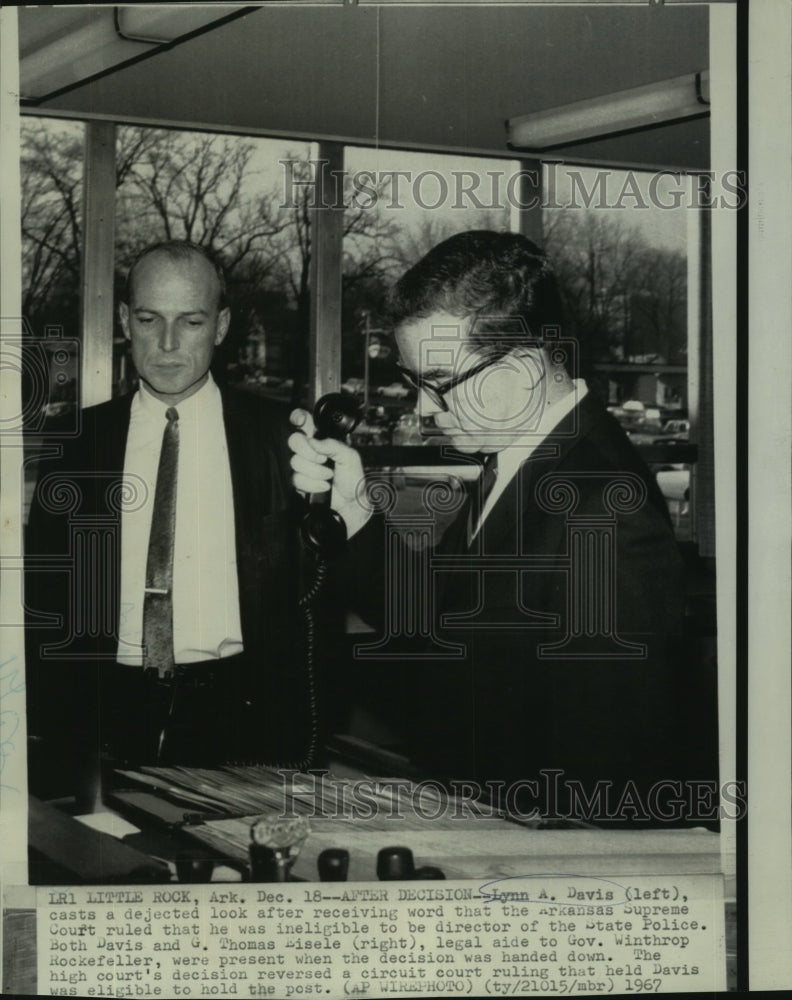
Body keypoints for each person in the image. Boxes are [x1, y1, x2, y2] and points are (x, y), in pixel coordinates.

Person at [289, 230, 716, 824]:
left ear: (524, 366)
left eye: (439, 381)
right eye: (417, 383)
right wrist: (357, 512)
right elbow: (439, 621)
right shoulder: (517, 462)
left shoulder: (601, 512)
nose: (423, 409)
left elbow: (610, 783)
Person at [25, 241, 313, 798]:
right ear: (124, 320)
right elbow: (44, 604)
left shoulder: (284, 440)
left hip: (243, 715)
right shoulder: (77, 446)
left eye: (192, 321)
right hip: (104, 714)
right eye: (150, 319)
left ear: (222, 325)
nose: (167, 344)